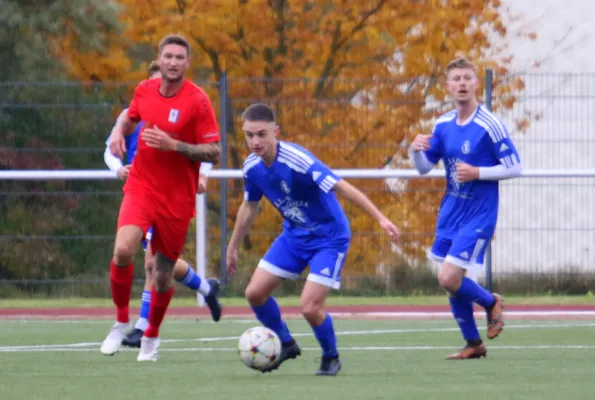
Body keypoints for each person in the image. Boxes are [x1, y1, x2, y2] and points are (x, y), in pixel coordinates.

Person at [226, 103, 400, 376]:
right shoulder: (252, 167)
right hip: (294, 236)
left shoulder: (298, 159)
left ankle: (331, 357)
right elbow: (249, 207)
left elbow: (341, 186)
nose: (255, 141)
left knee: (309, 307)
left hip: (329, 237)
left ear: (276, 132)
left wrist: (380, 218)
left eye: (261, 134)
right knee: (254, 294)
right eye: (249, 135)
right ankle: (286, 343)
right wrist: (233, 247)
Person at [100, 34, 222, 362]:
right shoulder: (144, 90)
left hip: (177, 197)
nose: (172, 62)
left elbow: (215, 150)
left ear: (187, 62)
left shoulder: (198, 101)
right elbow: (130, 115)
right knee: (124, 249)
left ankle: (151, 335)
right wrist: (116, 132)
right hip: (142, 185)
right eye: (167, 56)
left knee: (162, 273)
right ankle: (121, 322)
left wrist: (176, 146)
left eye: (179, 57)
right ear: (160, 57)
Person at [410, 57, 522, 359]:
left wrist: (478, 173)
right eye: (456, 79)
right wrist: (414, 149)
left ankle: (490, 302)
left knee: (448, 278)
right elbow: (423, 168)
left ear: (475, 84)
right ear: (448, 86)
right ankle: (474, 344)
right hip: (450, 213)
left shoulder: (490, 124)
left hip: (479, 214)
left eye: (466, 78)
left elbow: (515, 167)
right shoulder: (443, 124)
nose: (461, 83)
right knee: (453, 284)